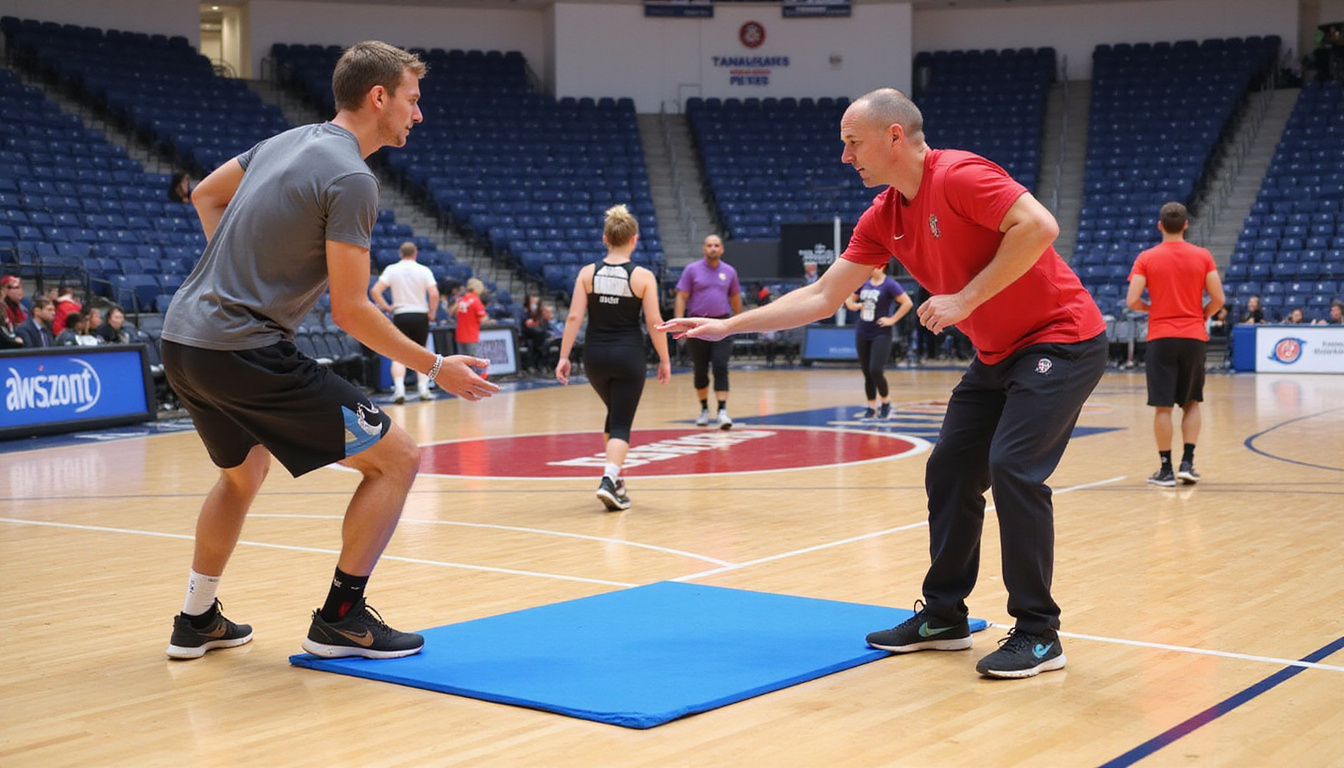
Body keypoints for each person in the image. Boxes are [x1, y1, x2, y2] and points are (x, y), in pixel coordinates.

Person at [661, 88, 1108, 679]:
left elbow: (1039, 225)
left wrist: (965, 298)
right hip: (998, 354)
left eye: (853, 142)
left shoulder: (961, 175)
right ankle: (945, 616)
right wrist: (729, 325)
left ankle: (1038, 632)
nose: (846, 157)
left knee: (1012, 468)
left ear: (894, 136)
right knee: (949, 468)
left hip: (1062, 339)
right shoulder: (883, 216)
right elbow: (823, 296)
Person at [158, 41, 499, 662]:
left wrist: (243, 273)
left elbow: (206, 195)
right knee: (397, 459)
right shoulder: (351, 178)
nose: (417, 115)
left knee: (242, 473)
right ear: (379, 98)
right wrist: (434, 365)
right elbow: (351, 311)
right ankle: (341, 618)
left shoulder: (285, 141)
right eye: (412, 100)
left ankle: (196, 617)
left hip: (184, 340)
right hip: (244, 350)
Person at [555, 204, 672, 511]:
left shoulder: (587, 274)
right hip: (628, 356)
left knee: (614, 413)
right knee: (621, 422)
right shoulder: (643, 277)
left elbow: (573, 318)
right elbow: (653, 322)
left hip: (594, 358)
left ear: (605, 238)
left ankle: (617, 481)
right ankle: (608, 478)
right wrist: (665, 358)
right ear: (634, 239)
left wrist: (564, 356)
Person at [1125, 202, 1225, 487]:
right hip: (1193, 335)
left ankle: (1166, 469)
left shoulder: (1146, 257)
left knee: (1162, 406)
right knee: (1192, 401)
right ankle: (1188, 464)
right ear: (1185, 225)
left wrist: (1151, 310)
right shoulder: (1203, 256)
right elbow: (1218, 298)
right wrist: (1201, 315)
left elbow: (1132, 299)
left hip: (1161, 336)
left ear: (1160, 225)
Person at [675, 234, 742, 429]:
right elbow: (682, 296)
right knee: (700, 369)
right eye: (709, 245)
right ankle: (704, 409)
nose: (713, 248)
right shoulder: (692, 270)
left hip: (722, 324)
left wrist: (740, 322)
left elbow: (736, 298)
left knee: (721, 365)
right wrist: (680, 322)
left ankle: (722, 410)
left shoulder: (729, 272)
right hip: (697, 326)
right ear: (704, 248)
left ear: (722, 249)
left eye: (716, 245)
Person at [370, 241, 440, 403]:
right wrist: (432, 312)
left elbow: (375, 291)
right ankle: (423, 389)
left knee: (399, 355)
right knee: (421, 352)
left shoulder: (392, 269)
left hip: (401, 314)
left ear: (400, 253)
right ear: (415, 253)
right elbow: (434, 294)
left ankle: (400, 390)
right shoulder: (424, 270)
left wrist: (387, 307)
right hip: (420, 315)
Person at [843, 261, 913, 420]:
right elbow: (849, 301)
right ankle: (871, 406)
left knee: (876, 370)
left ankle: (886, 402)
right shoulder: (864, 283)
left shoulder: (890, 284)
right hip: (862, 331)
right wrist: (855, 306)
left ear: (881, 267)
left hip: (881, 332)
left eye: (873, 266)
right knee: (867, 372)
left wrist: (892, 319)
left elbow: (907, 303)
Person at [452, 277, 490, 357]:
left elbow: (453, 312)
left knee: (462, 361)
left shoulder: (462, 299)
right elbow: (483, 319)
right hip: (471, 336)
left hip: (460, 335)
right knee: (473, 361)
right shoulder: (476, 301)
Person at [2, 275, 25, 349]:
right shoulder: (3, 308)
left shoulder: (21, 307)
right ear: (5, 290)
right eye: (16, 288)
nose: (20, 291)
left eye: (20, 287)